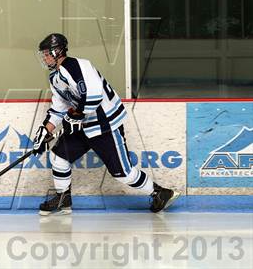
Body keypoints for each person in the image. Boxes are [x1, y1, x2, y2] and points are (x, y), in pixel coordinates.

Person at [33, 33, 180, 216]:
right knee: (59, 157)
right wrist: (44, 131)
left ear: (58, 51)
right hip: (84, 125)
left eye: (47, 53)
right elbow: (59, 108)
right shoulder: (55, 77)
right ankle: (64, 198)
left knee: (122, 173)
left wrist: (74, 119)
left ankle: (160, 193)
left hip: (105, 125)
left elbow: (94, 96)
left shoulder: (77, 66)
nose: (44, 57)